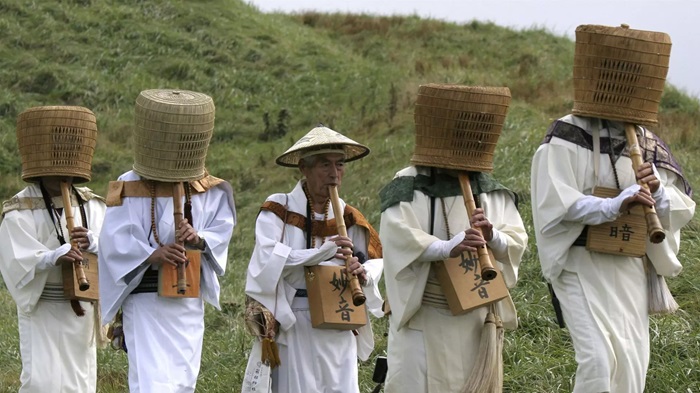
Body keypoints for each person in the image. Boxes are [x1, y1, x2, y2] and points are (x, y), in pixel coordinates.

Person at [530, 24, 695, 393]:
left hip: (629, 268)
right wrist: (615, 204)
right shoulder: (567, 133)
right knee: (598, 361)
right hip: (580, 264)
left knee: (632, 365)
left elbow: (681, 207)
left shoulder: (650, 144)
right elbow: (556, 202)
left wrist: (659, 195)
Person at [380, 84, 528, 392]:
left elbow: (516, 240)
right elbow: (398, 237)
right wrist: (447, 247)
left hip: (476, 319)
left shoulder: (490, 188)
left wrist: (494, 237)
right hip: (427, 316)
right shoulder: (408, 183)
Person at [98, 89, 236, 392]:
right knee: (151, 380)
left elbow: (222, 228)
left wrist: (199, 238)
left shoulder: (207, 187)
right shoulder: (129, 184)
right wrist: (151, 254)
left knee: (183, 379)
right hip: (146, 299)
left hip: (187, 298)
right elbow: (112, 239)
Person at [242, 125, 384, 393]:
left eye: (339, 165)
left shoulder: (350, 215)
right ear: (303, 168)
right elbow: (266, 257)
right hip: (295, 320)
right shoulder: (279, 209)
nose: (334, 173)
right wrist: (321, 253)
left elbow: (376, 260)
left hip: (339, 316)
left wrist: (362, 272)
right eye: (324, 165)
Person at [0, 106, 106, 393]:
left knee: (79, 382)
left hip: (81, 307)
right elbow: (14, 259)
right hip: (44, 307)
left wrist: (93, 243)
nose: (66, 179)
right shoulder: (19, 209)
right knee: (41, 381)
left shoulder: (91, 204)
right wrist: (53, 256)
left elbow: (114, 248)